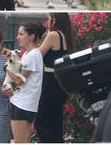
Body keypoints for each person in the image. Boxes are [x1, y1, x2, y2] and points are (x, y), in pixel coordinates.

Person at [3, 22, 45, 143]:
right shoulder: (28, 54)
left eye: (21, 34)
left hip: (22, 104)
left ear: (31, 36)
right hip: (23, 103)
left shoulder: (32, 55)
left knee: (20, 142)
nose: (18, 37)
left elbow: (19, 80)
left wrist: (6, 68)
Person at [35, 13, 73, 142]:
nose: (47, 22)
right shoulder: (65, 36)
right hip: (60, 81)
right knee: (55, 120)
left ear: (54, 20)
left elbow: (38, 55)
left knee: (42, 121)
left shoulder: (53, 35)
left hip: (50, 80)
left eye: (49, 19)